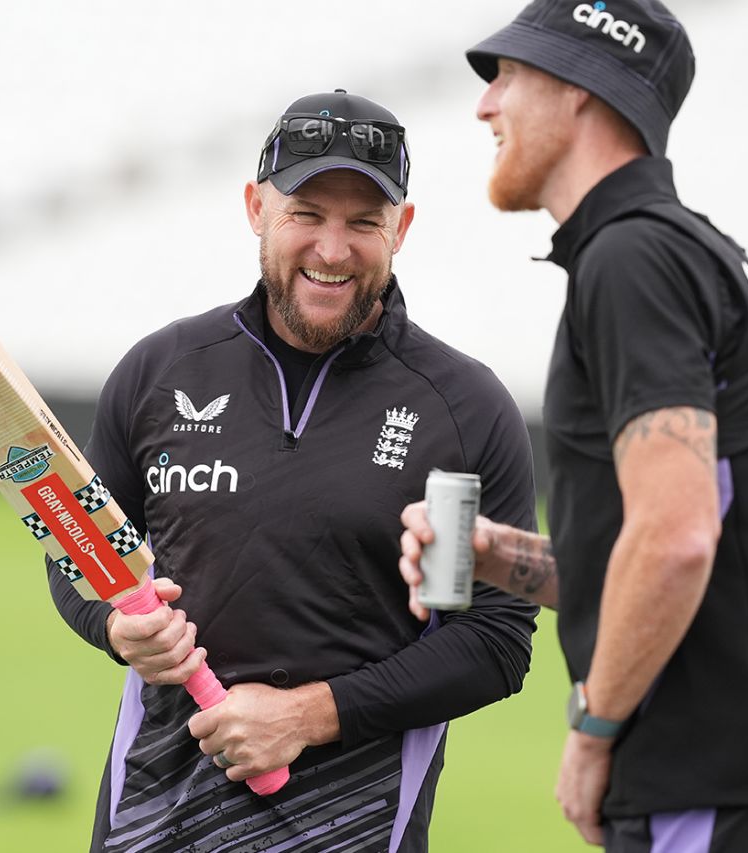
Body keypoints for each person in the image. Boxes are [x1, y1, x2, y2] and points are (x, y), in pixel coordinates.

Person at [397, 2, 748, 850]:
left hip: (710, 779)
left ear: (580, 90)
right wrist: (502, 558)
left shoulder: (632, 260)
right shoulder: (680, 251)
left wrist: (594, 727)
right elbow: (673, 546)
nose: (484, 106)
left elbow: (679, 537)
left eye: (507, 75)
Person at [48, 88, 540, 853]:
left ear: (402, 228)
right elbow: (73, 550)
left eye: (364, 222)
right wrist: (115, 627)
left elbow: (498, 638)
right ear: (256, 208)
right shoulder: (158, 371)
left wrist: (309, 713)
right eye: (306, 214)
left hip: (353, 827)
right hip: (152, 824)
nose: (333, 249)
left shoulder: (463, 409)